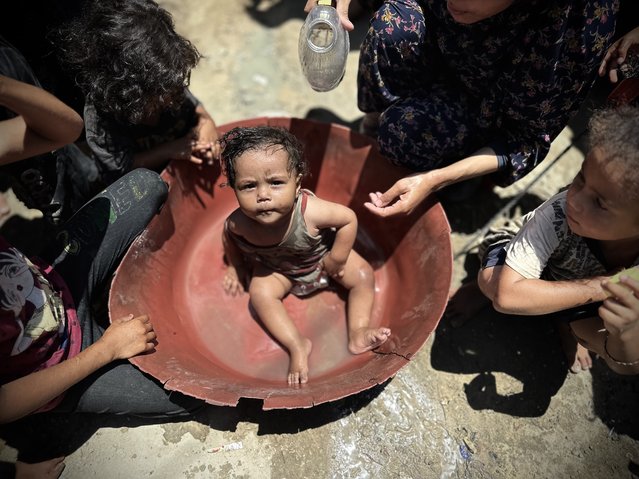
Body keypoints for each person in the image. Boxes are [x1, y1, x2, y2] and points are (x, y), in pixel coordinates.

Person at [0, 72, 199, 478]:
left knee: (146, 185)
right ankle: (60, 410)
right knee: (189, 392)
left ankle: (96, 302)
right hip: (56, 371)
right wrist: (105, 351)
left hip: (56, 281)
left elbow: (64, 128)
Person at [352, 0, 619, 216]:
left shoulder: (574, 30)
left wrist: (436, 179)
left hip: (487, 111)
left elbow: (525, 140)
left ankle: (458, 173)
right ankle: (375, 129)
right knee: (392, 22)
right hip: (439, 57)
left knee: (402, 132)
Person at [472, 105, 639, 375]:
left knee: (594, 334)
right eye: (581, 178)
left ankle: (563, 321)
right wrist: (600, 287)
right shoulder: (561, 210)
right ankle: (480, 291)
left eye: (599, 202)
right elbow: (507, 295)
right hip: (523, 262)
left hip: (574, 287)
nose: (575, 199)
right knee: (491, 281)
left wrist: (628, 334)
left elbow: (628, 366)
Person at [220, 126, 391, 384]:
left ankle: (358, 331)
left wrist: (338, 258)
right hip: (280, 269)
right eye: (248, 186)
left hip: (322, 259)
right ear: (234, 188)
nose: (263, 195)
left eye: (276, 182)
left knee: (364, 275)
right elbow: (230, 240)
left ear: (297, 182)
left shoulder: (310, 212)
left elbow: (348, 219)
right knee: (259, 294)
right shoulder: (238, 224)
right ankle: (297, 344)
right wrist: (235, 266)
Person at [55, 0, 220, 196]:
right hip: (139, 188)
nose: (170, 98)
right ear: (128, 93)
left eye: (173, 88)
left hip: (183, 166)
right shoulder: (102, 119)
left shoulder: (166, 79)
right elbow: (120, 168)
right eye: (159, 96)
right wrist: (171, 149)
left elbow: (197, 109)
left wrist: (206, 123)